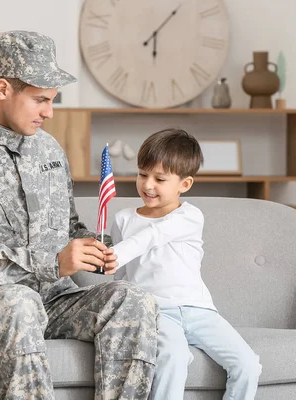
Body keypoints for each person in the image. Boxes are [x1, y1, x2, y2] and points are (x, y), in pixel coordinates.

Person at [0, 30, 158, 400]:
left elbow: (67, 224)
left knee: (134, 299)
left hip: (53, 300)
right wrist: (53, 262)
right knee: (18, 303)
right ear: (3, 89)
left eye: (53, 100)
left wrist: (92, 246)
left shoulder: (48, 149)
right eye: (40, 99)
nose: (49, 112)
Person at [109, 129, 262, 399]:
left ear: (185, 184)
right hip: (156, 312)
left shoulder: (190, 216)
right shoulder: (123, 219)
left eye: (159, 179)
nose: (148, 185)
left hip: (200, 312)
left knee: (248, 364)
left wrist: (115, 253)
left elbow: (153, 236)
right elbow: (121, 278)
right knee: (173, 357)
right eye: (143, 174)